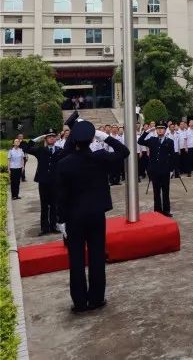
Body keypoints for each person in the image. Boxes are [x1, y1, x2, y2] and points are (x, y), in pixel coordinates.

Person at [56, 119, 129, 313]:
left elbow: (61, 195)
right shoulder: (100, 157)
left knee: (76, 260)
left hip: (73, 217)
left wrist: (61, 220)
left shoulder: (64, 163)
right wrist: (104, 136)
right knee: (97, 257)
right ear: (91, 139)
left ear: (73, 141)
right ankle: (96, 298)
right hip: (96, 214)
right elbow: (124, 152)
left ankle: (80, 302)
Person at [20, 128, 63, 235]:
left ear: (55, 138)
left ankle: (54, 226)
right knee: (44, 205)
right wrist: (37, 139)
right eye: (49, 137)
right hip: (43, 182)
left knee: (54, 205)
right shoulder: (40, 150)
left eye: (53, 136)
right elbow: (24, 147)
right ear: (46, 138)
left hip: (55, 181)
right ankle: (44, 228)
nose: (51, 138)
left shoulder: (60, 150)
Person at [139, 122, 174, 216]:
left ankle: (166, 211)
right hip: (154, 171)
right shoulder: (152, 140)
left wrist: (171, 170)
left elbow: (172, 156)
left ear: (165, 130)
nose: (160, 130)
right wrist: (147, 131)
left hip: (165, 170)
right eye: (158, 128)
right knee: (156, 192)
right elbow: (140, 141)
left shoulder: (169, 141)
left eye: (162, 128)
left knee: (165, 192)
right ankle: (157, 211)